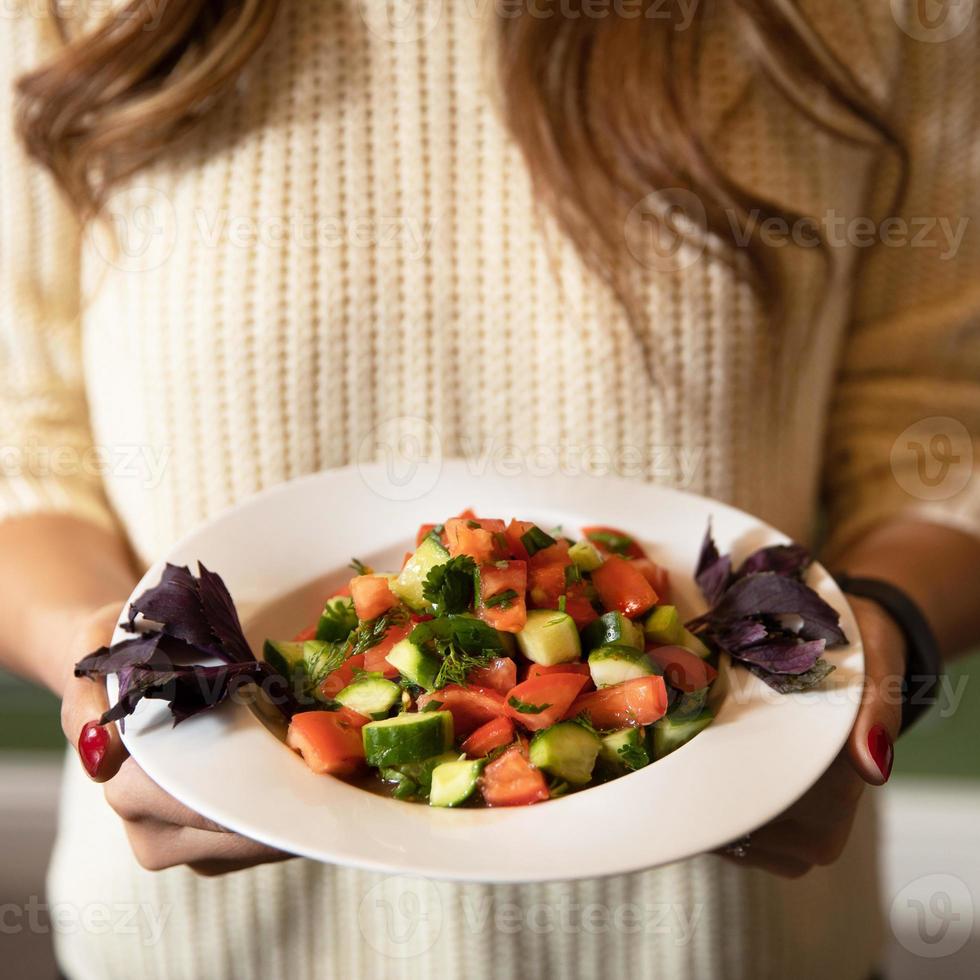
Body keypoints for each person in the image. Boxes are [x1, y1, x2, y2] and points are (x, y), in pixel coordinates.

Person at [1, 1, 978, 977]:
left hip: (721, 945)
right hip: (202, 950)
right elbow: (23, 436)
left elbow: (941, 427)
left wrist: (882, 629)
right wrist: (105, 658)